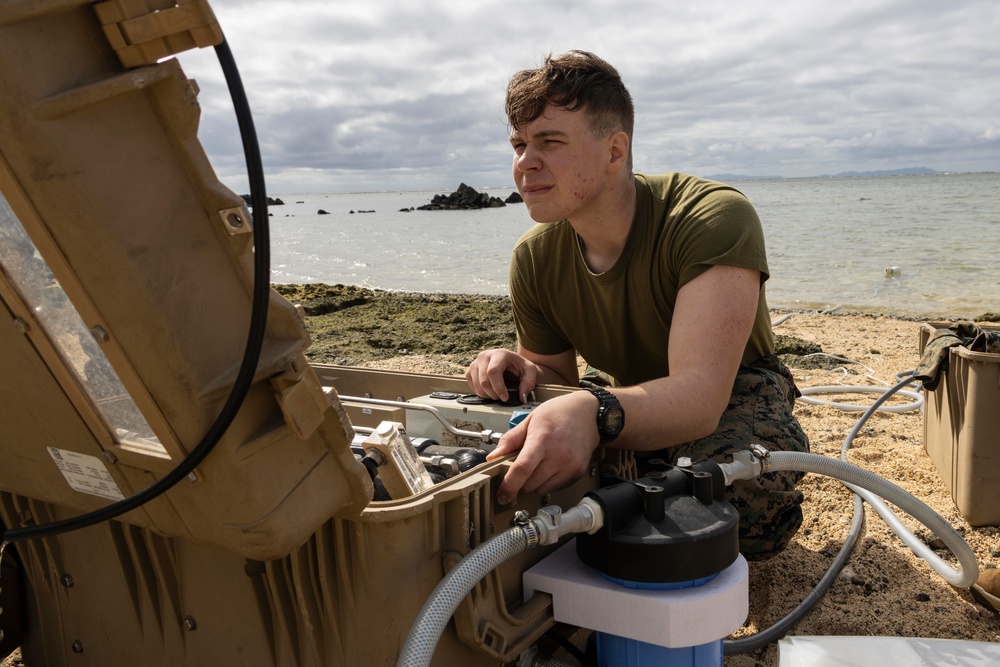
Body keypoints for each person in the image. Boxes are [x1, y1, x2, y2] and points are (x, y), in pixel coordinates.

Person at [465, 50, 809, 560]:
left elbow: (699, 396)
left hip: (731, 389)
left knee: (739, 507)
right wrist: (521, 369)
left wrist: (591, 410)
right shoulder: (534, 257)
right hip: (622, 401)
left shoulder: (710, 217)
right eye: (518, 144)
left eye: (550, 142)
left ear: (614, 150)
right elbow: (557, 382)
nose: (525, 162)